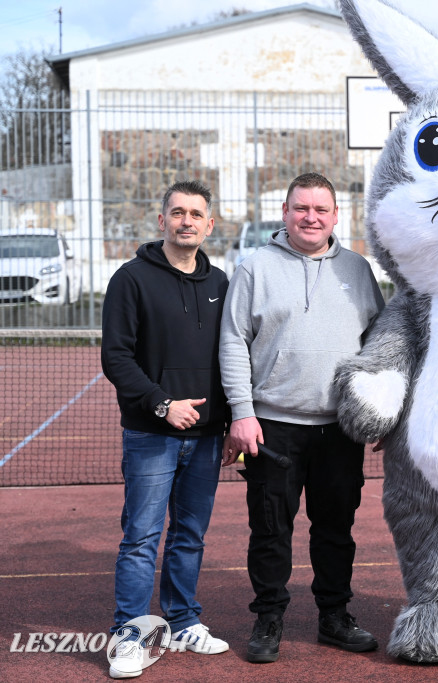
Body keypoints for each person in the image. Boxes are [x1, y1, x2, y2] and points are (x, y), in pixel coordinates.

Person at [220, 172, 386, 664]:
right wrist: (242, 413)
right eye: (300, 208)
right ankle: (269, 616)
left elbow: (378, 343)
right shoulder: (255, 268)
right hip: (272, 429)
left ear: (336, 216)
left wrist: (377, 409)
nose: (310, 217)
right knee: (271, 531)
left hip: (340, 429)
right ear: (286, 212)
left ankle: (334, 616)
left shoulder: (357, 270)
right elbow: (233, 341)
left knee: (335, 529)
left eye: (320, 209)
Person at [101, 180, 230, 679]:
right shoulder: (130, 279)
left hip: (206, 440)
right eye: (177, 212)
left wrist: (228, 423)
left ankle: (181, 620)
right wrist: (162, 405)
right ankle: (130, 635)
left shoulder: (221, 283)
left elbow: (230, 358)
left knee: (189, 537)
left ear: (209, 224)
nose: (186, 221)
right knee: (140, 538)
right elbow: (116, 357)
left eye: (196, 214)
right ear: (162, 220)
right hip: (152, 434)